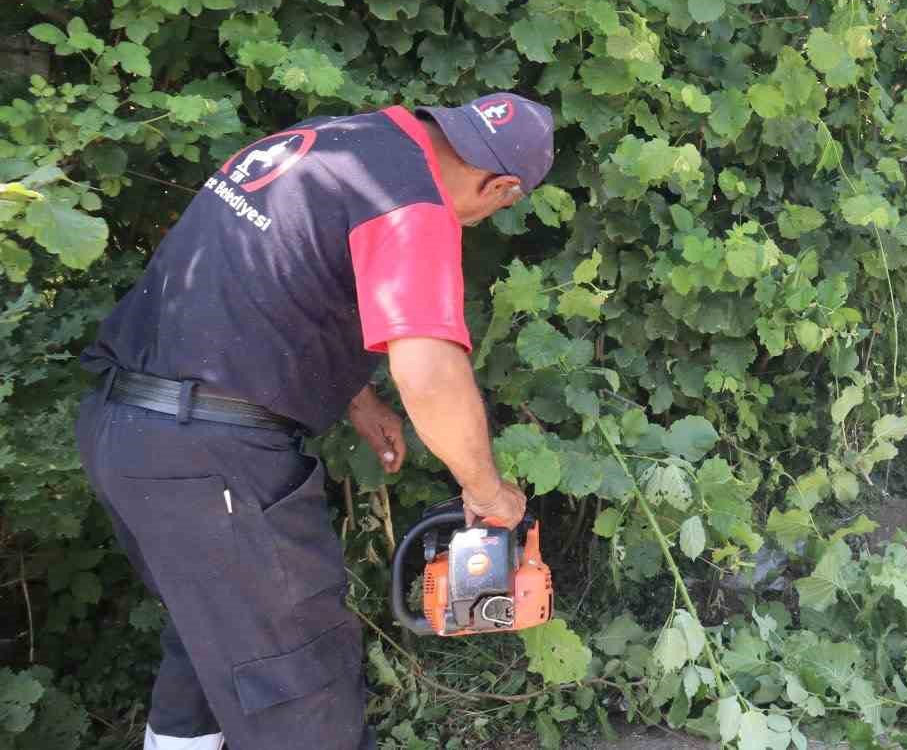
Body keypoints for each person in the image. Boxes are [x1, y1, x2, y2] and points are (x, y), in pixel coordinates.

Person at [75, 93, 555, 749]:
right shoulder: (413, 203)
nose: (482, 219)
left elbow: (269, 278)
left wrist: (357, 397)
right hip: (212, 462)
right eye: (500, 206)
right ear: (501, 186)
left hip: (125, 428)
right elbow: (429, 372)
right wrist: (485, 490)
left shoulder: (334, 141)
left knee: (211, 643)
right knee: (301, 694)